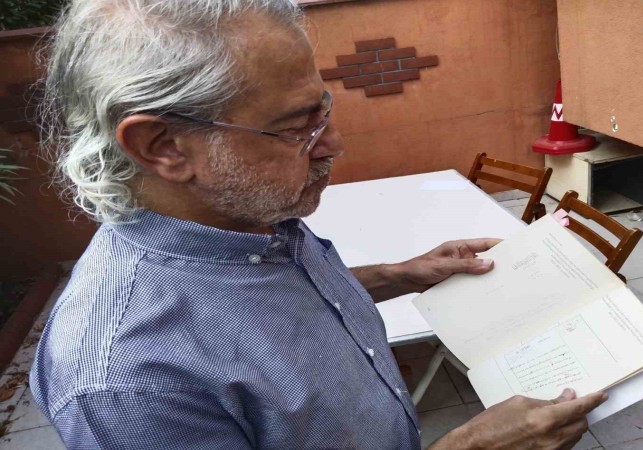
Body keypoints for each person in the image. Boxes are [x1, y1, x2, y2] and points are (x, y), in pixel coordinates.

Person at [30, 1, 606, 448]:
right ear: (164, 146)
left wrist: (400, 274)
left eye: (323, 111)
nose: (333, 143)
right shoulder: (125, 380)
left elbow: (281, 305)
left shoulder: (250, 215)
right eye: (297, 126)